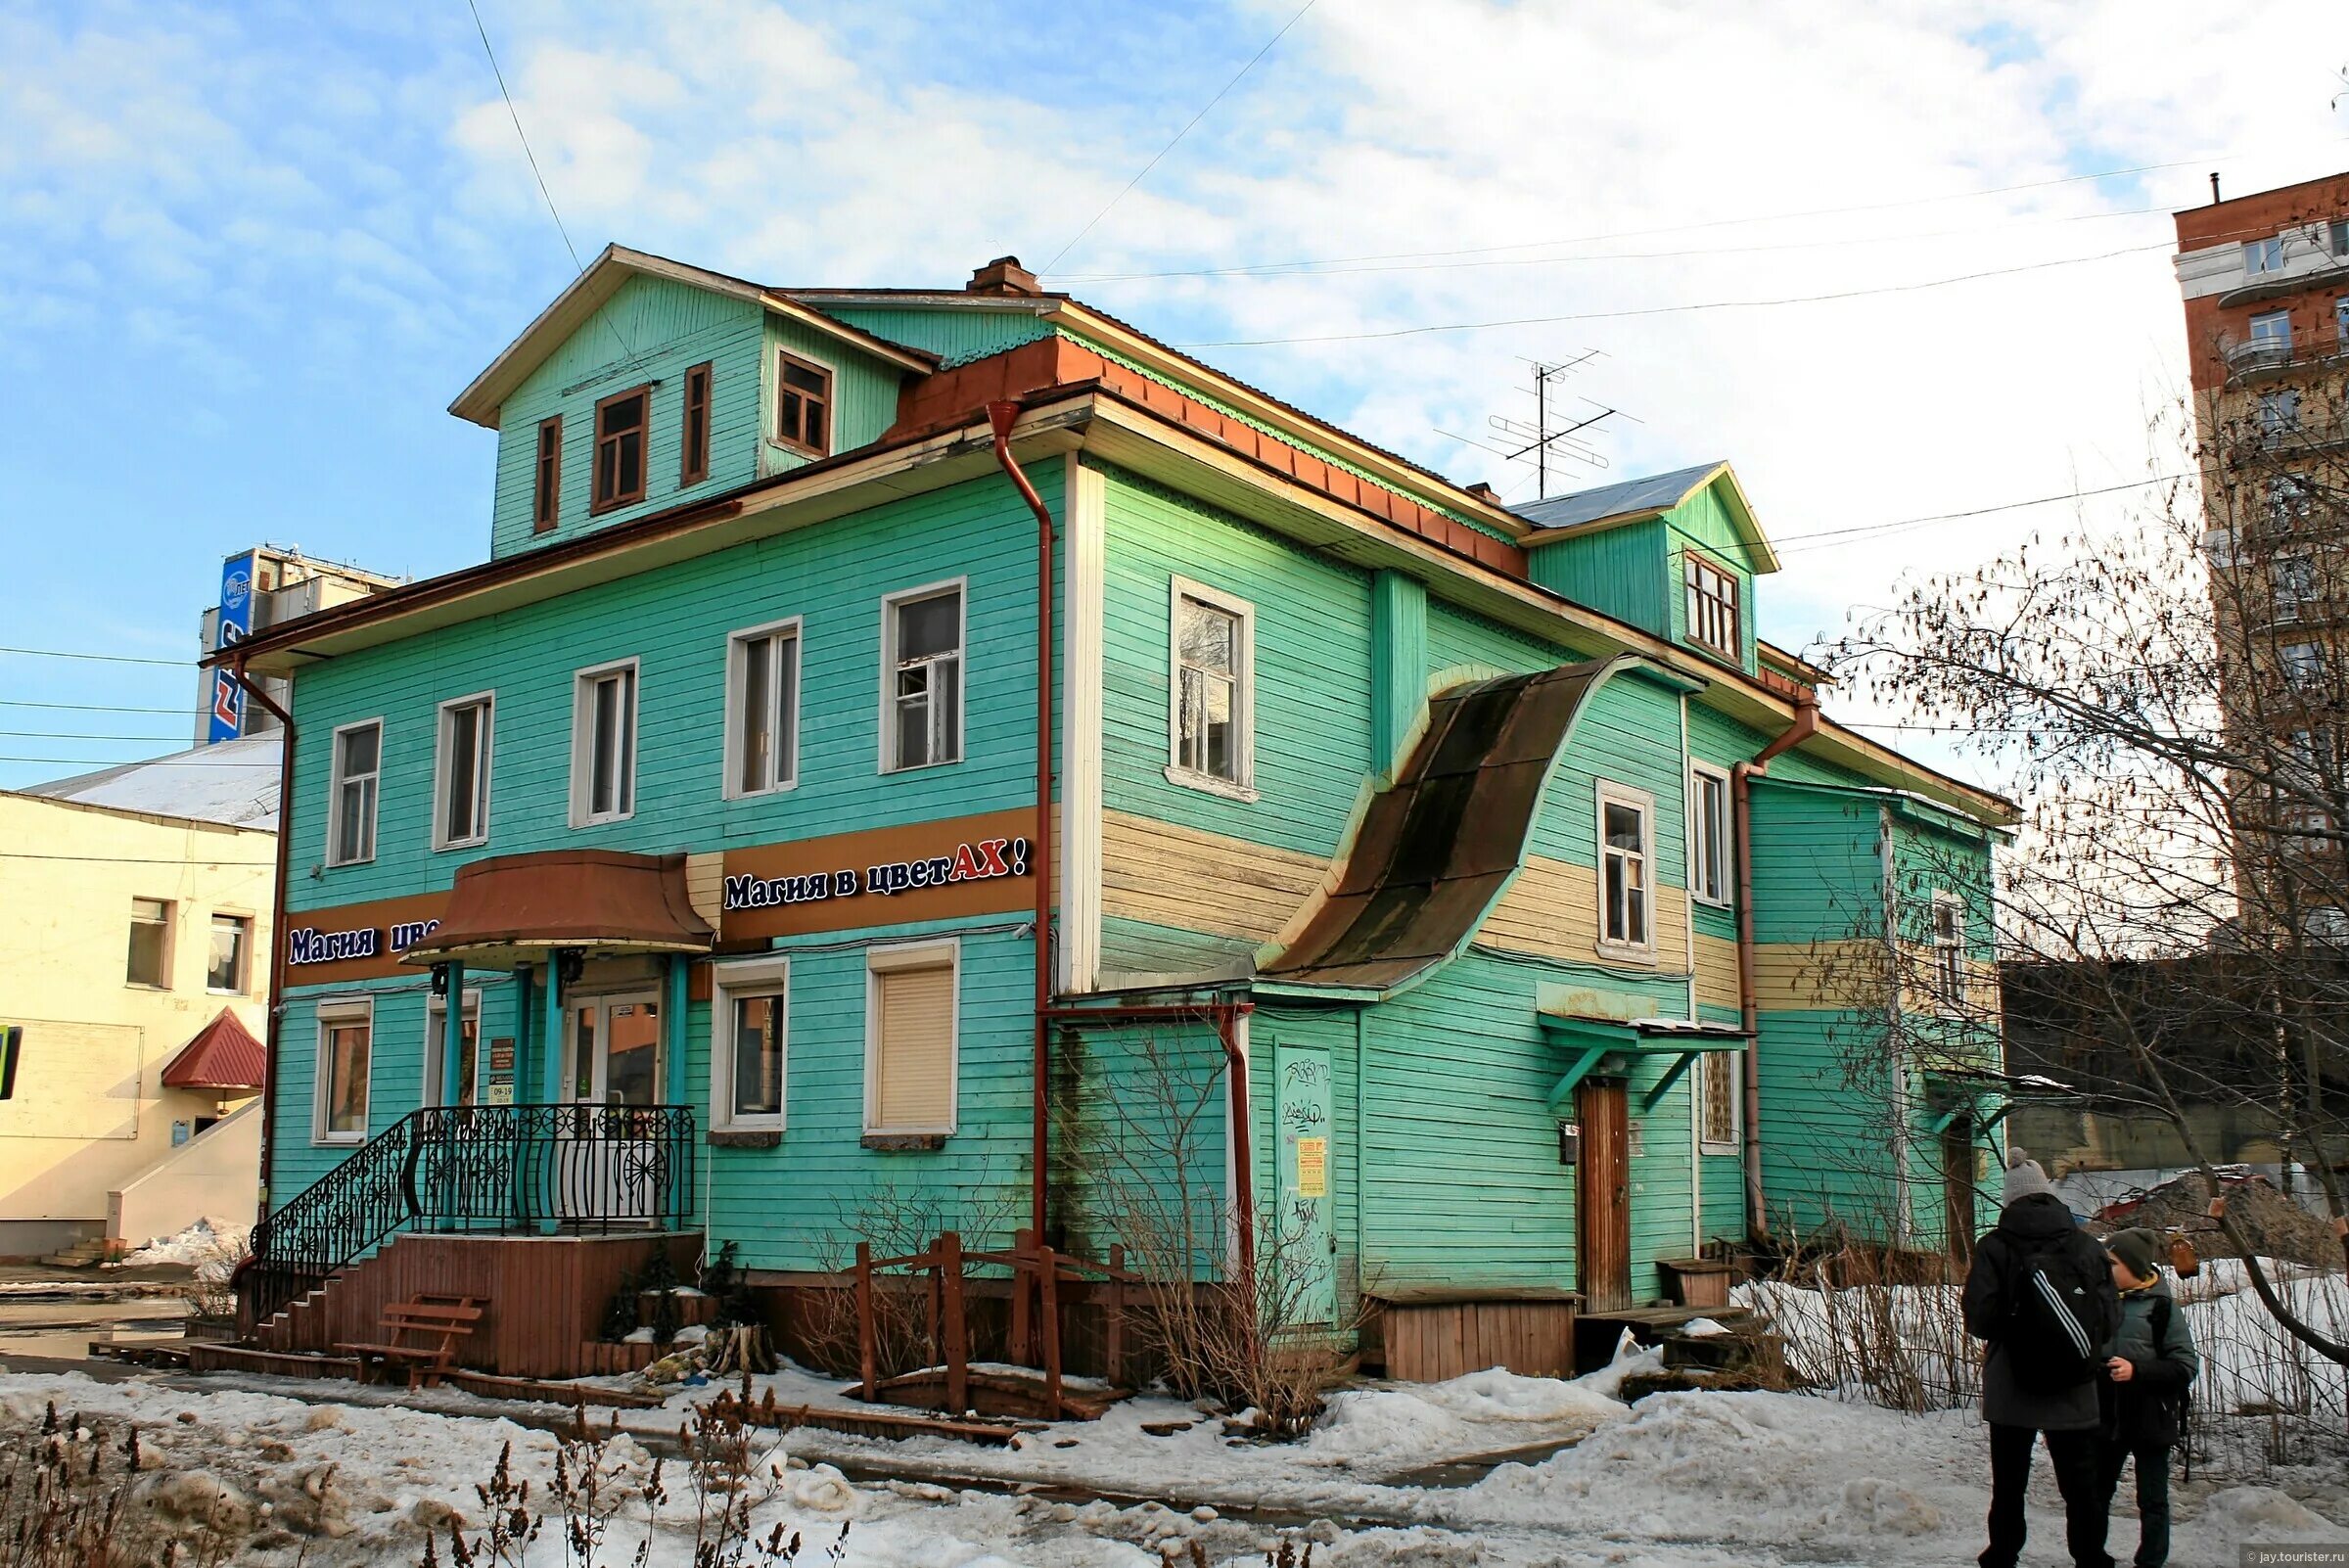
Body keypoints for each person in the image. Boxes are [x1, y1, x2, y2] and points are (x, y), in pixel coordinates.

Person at [1962, 1153, 2124, 1568]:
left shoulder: (1993, 1246)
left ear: (2010, 1200)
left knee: (2010, 1482)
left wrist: (2017, 1327)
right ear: (2048, 1194)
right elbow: (2110, 1318)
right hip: (2075, 1380)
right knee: (2081, 1484)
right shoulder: (2088, 1246)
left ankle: (2002, 1554)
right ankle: (2090, 1556)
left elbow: (1979, 1318)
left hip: (2011, 1382)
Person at [2096, 1227, 2199, 1568]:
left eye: (2112, 1263)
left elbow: (2184, 1365)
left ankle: (2151, 1560)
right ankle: (2093, 1555)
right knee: (2096, 1493)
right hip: (2106, 1413)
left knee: (2153, 1498)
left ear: (2135, 1267)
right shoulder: (2099, 1300)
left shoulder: (2162, 1307)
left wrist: (2137, 1371)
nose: (2105, 1270)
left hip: (2152, 1413)